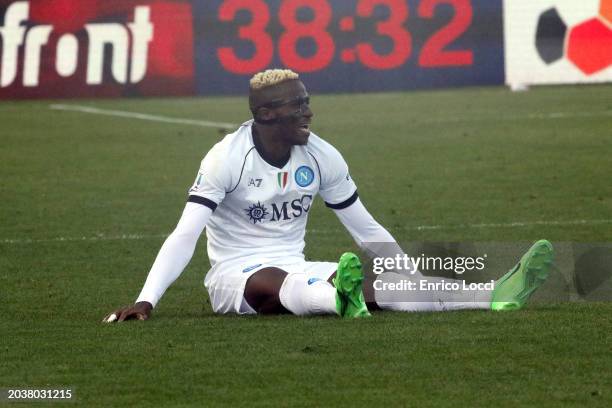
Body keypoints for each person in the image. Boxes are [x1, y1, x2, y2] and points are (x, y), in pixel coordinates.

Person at [103, 69, 554, 322]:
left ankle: (491, 292)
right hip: (233, 276)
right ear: (266, 113)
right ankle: (337, 294)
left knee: (395, 290)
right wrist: (147, 299)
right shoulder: (226, 158)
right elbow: (185, 234)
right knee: (273, 287)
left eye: (306, 101)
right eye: (297, 105)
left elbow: (365, 226)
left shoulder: (320, 156)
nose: (308, 112)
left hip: (297, 264)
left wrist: (407, 275)